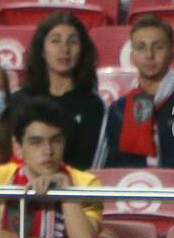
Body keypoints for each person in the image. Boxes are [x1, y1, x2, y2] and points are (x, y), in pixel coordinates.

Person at [0, 97, 102, 238]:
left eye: (56, 141)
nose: (48, 151)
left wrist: (66, 189)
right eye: (36, 142)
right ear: (18, 148)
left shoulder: (86, 182)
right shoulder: (2, 176)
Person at [92, 15, 174, 171]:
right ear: (132, 57)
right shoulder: (118, 109)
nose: (149, 55)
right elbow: (110, 169)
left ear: (172, 53)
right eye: (141, 47)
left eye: (158, 47)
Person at [8, 12, 104, 171]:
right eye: (55, 41)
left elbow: (88, 164)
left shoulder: (92, 105)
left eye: (72, 42)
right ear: (42, 50)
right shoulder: (18, 101)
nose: (64, 49)